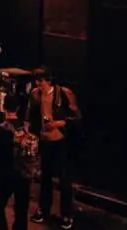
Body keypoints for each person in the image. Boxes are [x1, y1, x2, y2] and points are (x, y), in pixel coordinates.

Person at [26, 67, 81, 229]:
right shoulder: (35, 94)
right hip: (45, 141)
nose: (38, 84)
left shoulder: (63, 93)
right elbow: (30, 115)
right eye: (37, 81)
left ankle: (66, 214)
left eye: (41, 81)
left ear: (48, 80)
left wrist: (58, 123)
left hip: (61, 141)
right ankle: (43, 209)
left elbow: (76, 118)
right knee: (45, 179)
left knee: (64, 180)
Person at [0, 96, 38, 230]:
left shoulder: (1, 129)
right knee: (21, 209)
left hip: (6, 173)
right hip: (23, 173)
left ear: (4, 107)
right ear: (18, 108)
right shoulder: (26, 128)